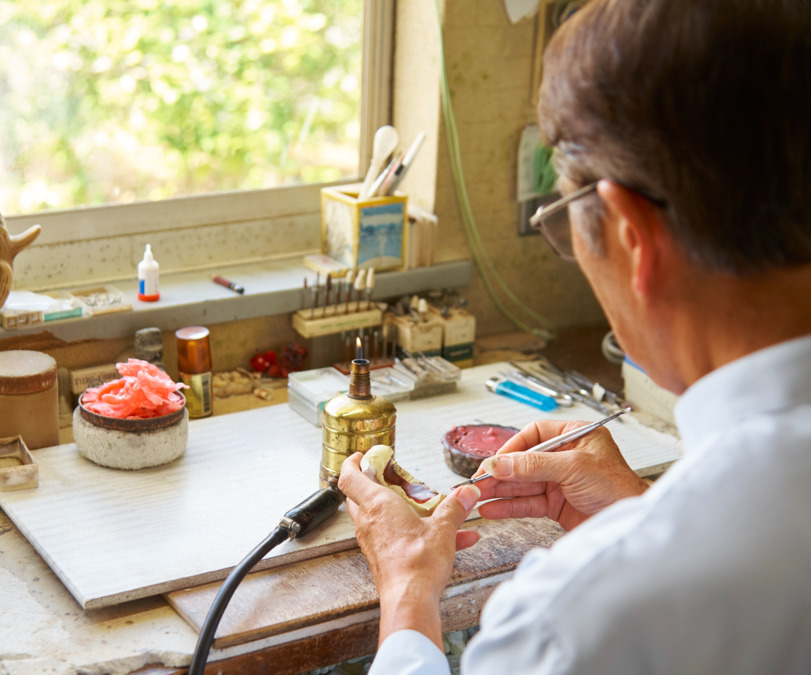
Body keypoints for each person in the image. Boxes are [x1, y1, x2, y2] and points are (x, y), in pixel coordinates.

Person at [337, 1, 811, 672]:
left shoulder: (576, 619)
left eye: (564, 220)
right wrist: (642, 512)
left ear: (629, 234)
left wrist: (408, 589)